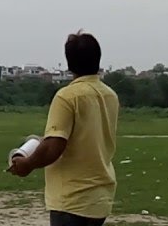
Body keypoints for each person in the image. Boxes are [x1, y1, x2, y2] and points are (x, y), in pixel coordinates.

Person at [10, 32, 120, 226]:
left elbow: (55, 146)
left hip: (72, 198)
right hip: (100, 197)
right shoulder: (110, 95)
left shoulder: (67, 96)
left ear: (69, 63)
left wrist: (27, 164)